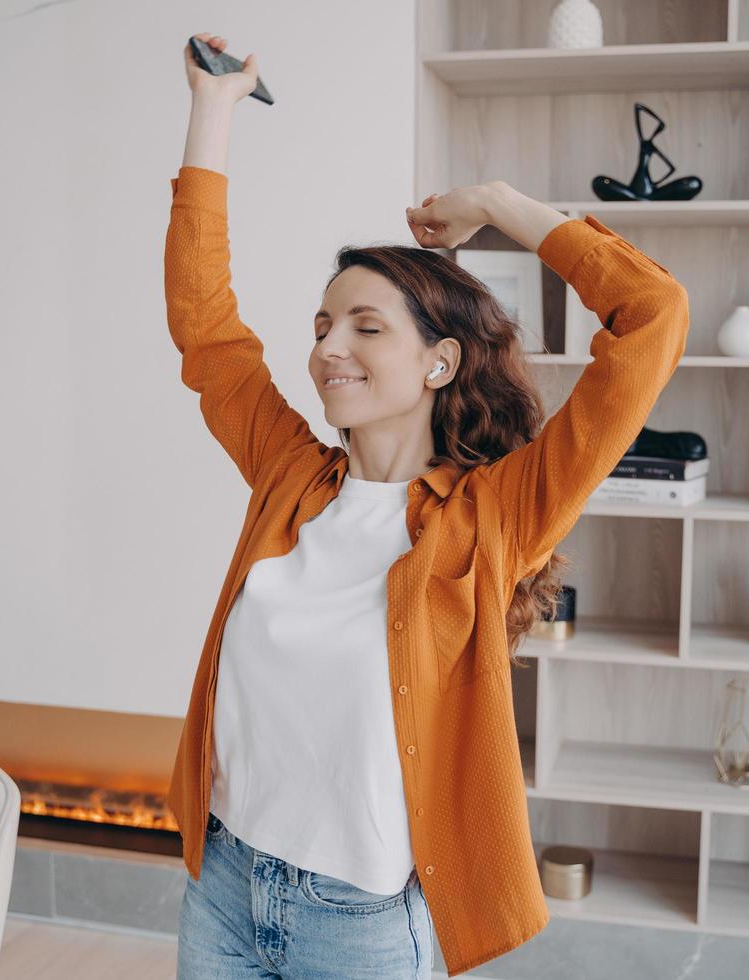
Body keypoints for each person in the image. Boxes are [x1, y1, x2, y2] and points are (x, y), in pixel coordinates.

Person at [169, 33, 690, 980]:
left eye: (368, 327)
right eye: (324, 325)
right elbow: (207, 328)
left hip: (357, 924)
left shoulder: (496, 515)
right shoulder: (291, 476)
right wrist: (214, 108)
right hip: (225, 887)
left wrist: (499, 206)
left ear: (439, 363)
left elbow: (653, 319)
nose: (331, 347)